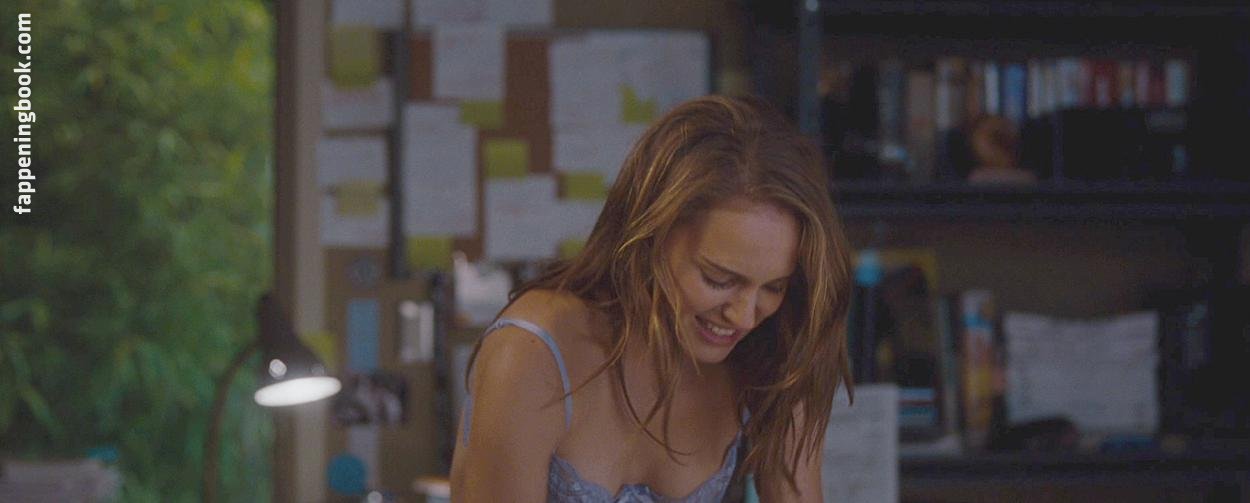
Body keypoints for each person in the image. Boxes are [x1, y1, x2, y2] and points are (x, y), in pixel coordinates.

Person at [450, 95, 854, 502]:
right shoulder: (534, 352)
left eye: (773, 287)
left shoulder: (772, 351)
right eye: (719, 279)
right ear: (650, 237)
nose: (745, 317)